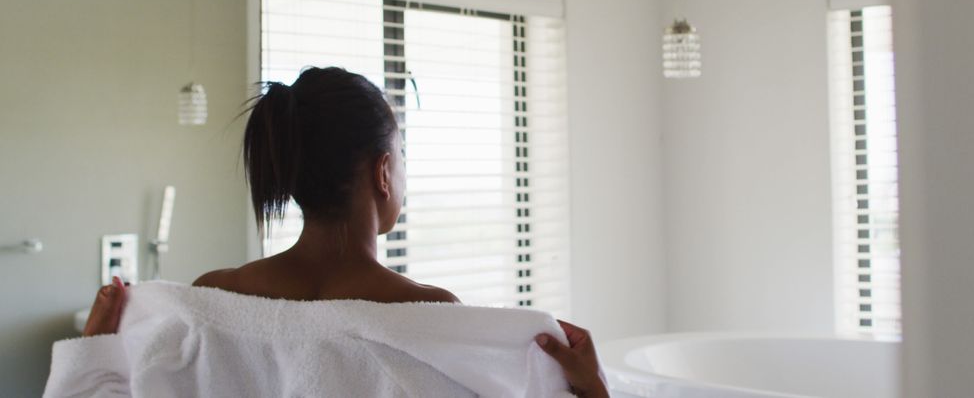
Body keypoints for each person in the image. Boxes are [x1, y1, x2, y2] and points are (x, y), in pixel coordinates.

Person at [82, 67, 608, 397]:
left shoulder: (212, 298)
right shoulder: (430, 316)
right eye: (401, 158)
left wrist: (96, 353)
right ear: (382, 172)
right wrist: (591, 393)